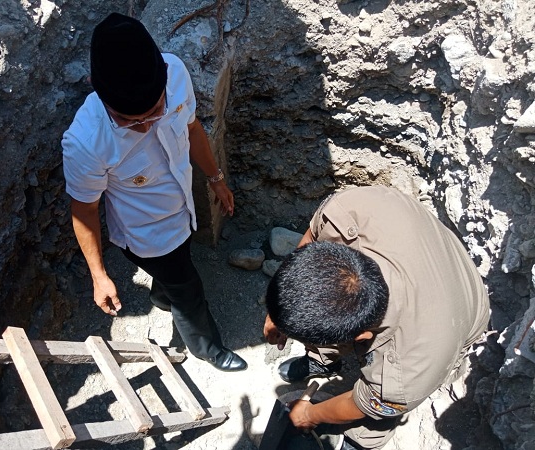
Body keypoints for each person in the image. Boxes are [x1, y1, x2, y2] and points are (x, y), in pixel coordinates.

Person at [62, 12, 246, 372]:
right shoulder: (86, 142)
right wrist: (99, 275)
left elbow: (192, 130)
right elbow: (83, 210)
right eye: (131, 121)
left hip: (183, 209)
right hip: (147, 235)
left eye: (155, 111)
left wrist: (215, 178)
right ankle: (208, 348)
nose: (146, 125)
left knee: (179, 270)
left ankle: (163, 294)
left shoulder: (175, 71)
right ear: (98, 92)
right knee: (189, 290)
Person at [263, 185, 490, 449]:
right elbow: (312, 239)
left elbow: (364, 403)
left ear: (361, 338)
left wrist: (309, 415)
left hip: (460, 309)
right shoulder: (350, 208)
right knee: (330, 311)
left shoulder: (408, 372)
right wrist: (278, 313)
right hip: (424, 257)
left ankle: (360, 442)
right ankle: (323, 362)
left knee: (376, 417)